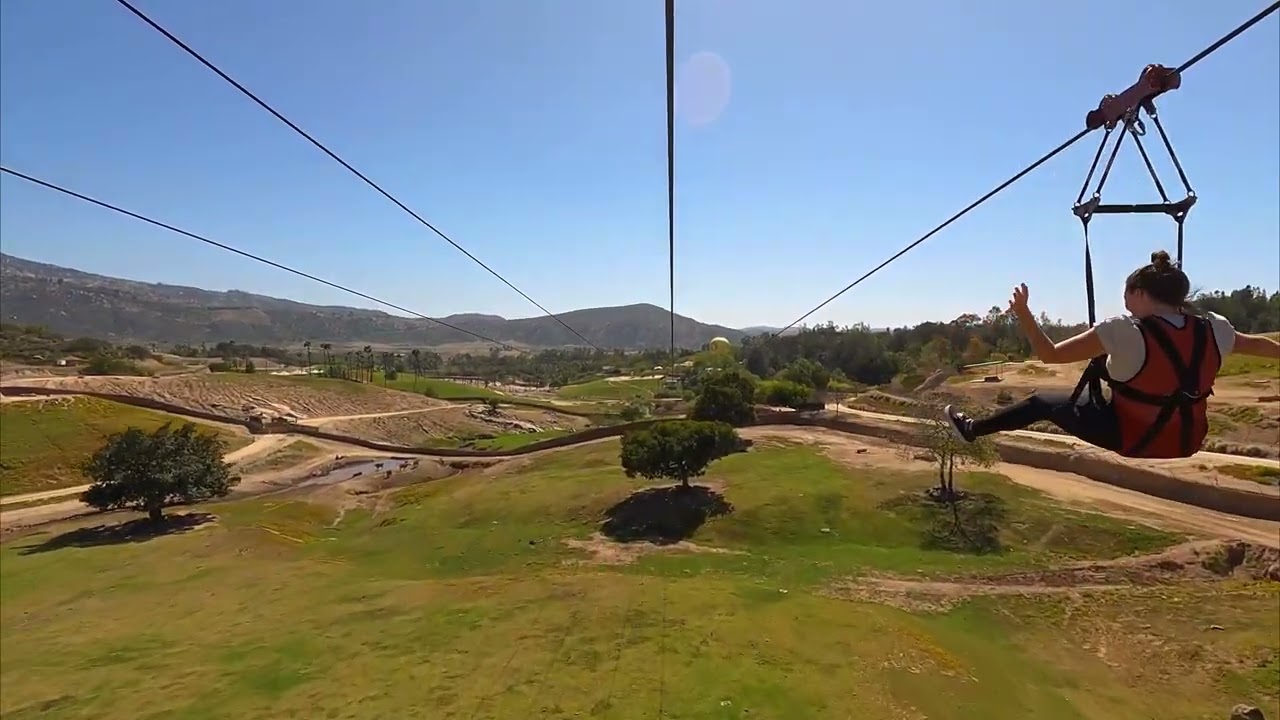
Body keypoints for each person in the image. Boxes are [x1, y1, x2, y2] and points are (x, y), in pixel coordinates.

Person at [944, 250, 1280, 459]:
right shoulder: (1215, 328)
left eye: (1126, 295)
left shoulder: (1123, 330)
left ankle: (972, 429)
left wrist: (1024, 314)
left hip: (1133, 438)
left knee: (1041, 403)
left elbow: (1049, 354)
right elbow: (1259, 345)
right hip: (1186, 439)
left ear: (1138, 292)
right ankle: (972, 429)